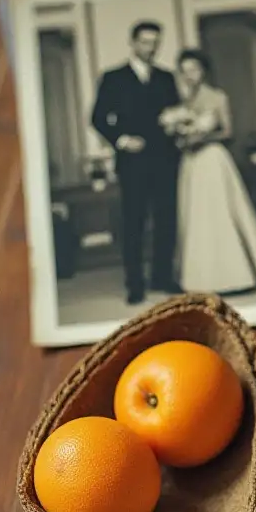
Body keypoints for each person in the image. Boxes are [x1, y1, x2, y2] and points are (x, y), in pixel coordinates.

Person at [165, 48, 256, 294]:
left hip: (212, 159)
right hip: (191, 163)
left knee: (220, 213)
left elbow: (228, 132)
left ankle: (236, 274)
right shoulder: (184, 102)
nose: (190, 75)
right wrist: (182, 138)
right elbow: (177, 131)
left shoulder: (217, 97)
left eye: (195, 69)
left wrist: (204, 137)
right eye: (185, 71)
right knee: (196, 216)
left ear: (204, 71)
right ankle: (203, 278)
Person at [91, 20, 181, 305]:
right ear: (132, 42)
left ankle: (162, 277)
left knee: (166, 219)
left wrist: (177, 124)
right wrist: (121, 139)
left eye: (155, 43)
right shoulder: (113, 77)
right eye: (145, 42)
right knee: (134, 223)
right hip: (132, 163)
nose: (151, 48)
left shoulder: (166, 77)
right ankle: (135, 284)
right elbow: (97, 118)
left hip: (166, 159)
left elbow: (175, 113)